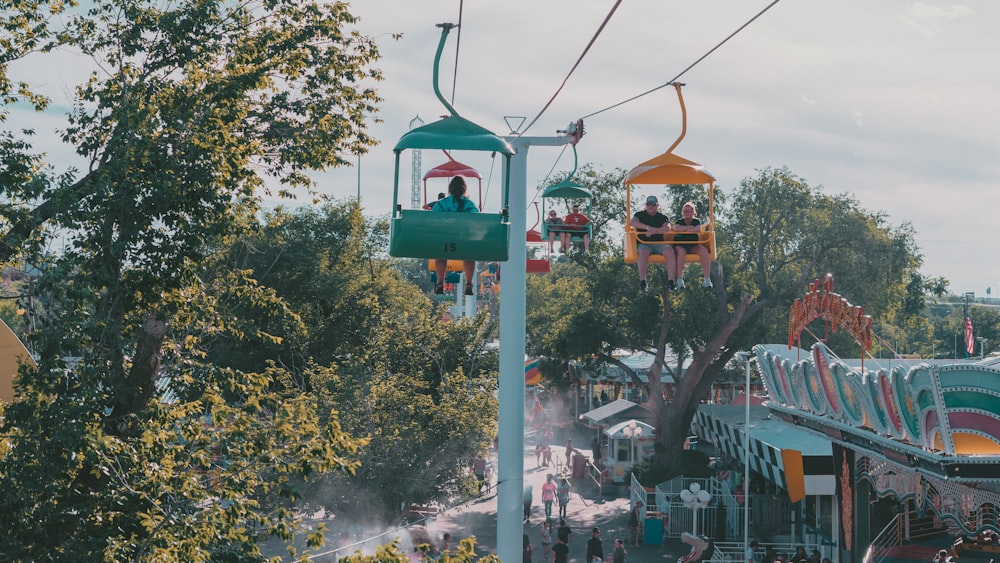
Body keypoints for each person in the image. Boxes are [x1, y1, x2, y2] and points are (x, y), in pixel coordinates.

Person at [432, 176, 478, 296]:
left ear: (450, 189)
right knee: (469, 256)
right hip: (464, 240)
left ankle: (440, 282)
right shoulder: (469, 204)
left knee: (440, 256)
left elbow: (433, 219)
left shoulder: (442, 204)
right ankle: (468, 283)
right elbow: (476, 220)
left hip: (445, 239)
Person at [630, 195, 677, 293]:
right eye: (648, 204)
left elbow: (667, 227)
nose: (650, 206)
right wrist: (648, 228)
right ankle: (643, 281)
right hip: (644, 243)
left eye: (653, 204)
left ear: (657, 205)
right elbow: (633, 222)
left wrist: (654, 231)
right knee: (643, 252)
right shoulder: (639, 215)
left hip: (659, 244)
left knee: (670, 251)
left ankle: (671, 281)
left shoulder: (662, 217)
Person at [672, 201, 712, 288]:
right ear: (683, 212)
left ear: (693, 212)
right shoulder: (679, 221)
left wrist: (685, 230)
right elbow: (677, 229)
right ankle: (679, 279)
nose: (687, 213)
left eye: (689, 211)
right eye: (685, 211)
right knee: (681, 251)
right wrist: (689, 228)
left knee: (704, 251)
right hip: (680, 244)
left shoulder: (696, 221)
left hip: (693, 245)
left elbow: (698, 229)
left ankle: (707, 279)